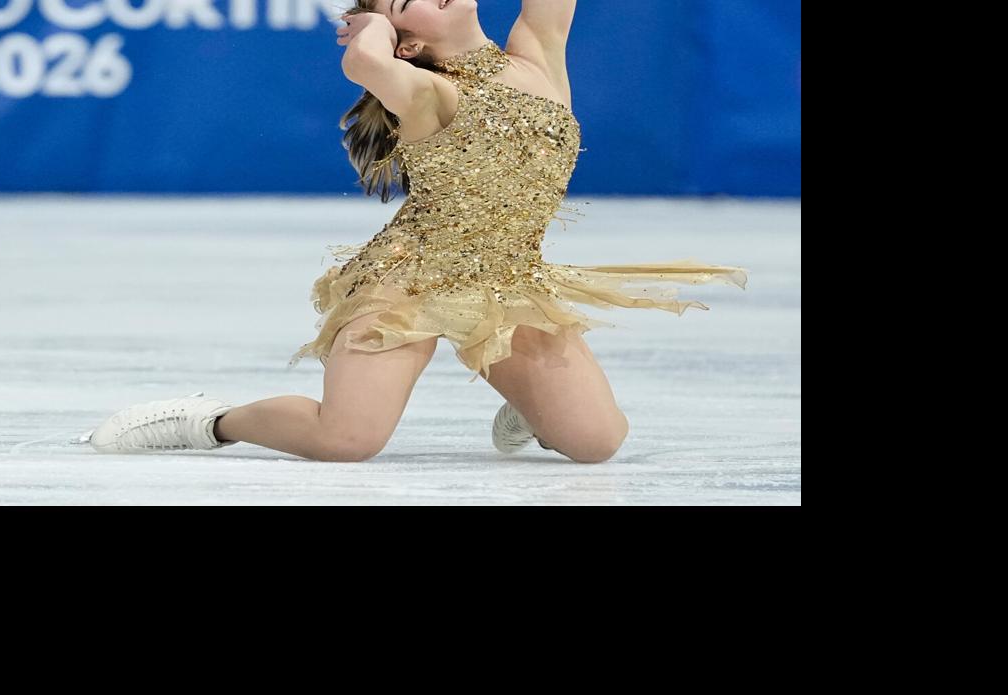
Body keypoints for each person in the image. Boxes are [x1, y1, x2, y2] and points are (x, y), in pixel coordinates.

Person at [83, 1, 747, 463]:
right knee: (348, 440)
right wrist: (372, 23)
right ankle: (210, 421)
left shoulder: (538, 53)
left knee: (598, 443)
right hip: (407, 282)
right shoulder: (427, 94)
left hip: (504, 283)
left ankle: (532, 409)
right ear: (408, 44)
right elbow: (361, 66)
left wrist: (387, 15)